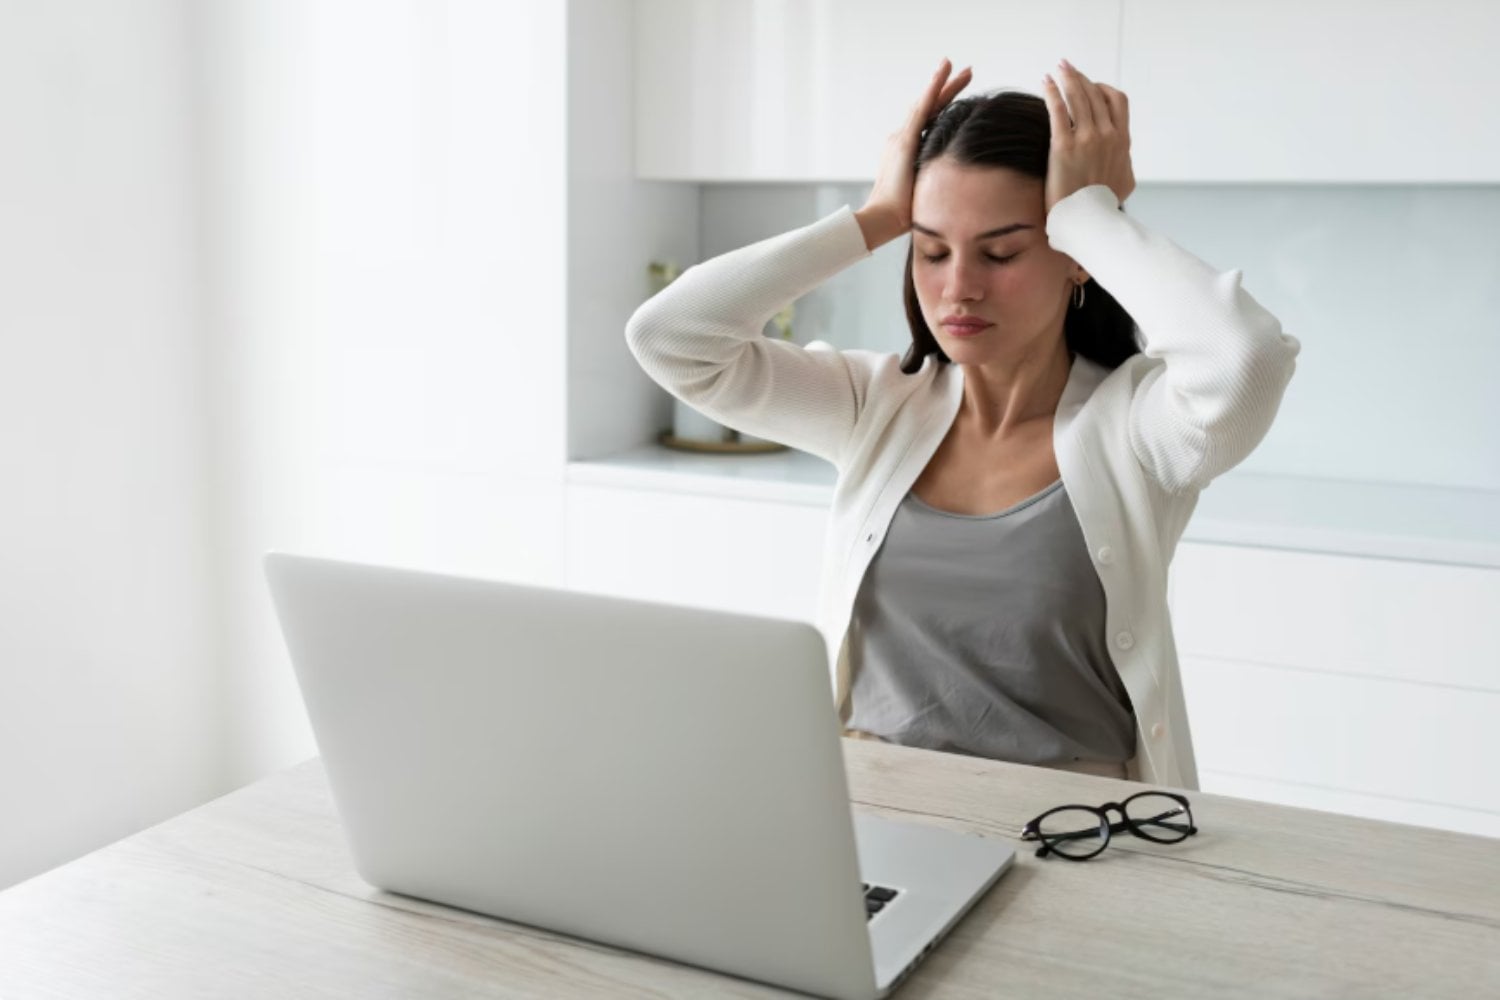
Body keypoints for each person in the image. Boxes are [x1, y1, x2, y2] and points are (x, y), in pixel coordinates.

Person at [625, 57, 1300, 789]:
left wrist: (1089, 217)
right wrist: (876, 217)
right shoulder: (876, 405)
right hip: (867, 815)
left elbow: (1245, 359)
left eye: (1002, 251)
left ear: (1076, 260)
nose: (958, 288)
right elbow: (671, 337)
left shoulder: (1136, 430)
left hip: (1073, 831)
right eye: (931, 249)